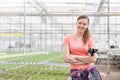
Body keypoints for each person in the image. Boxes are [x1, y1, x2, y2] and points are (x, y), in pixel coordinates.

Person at [63, 15, 102, 80]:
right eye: (80, 23)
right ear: (76, 23)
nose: (81, 25)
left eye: (84, 24)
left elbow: (93, 59)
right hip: (76, 72)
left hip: (91, 71)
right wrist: (87, 60)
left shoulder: (90, 40)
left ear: (87, 26)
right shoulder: (67, 39)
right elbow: (66, 59)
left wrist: (74, 56)